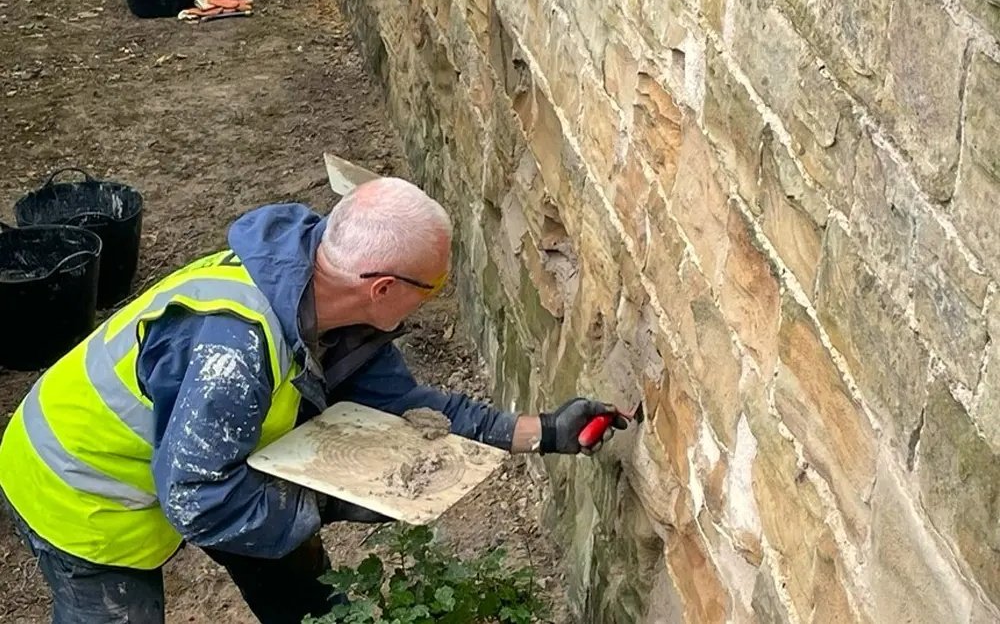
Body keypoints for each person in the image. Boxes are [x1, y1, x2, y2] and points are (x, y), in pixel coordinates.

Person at [0, 177, 627, 624]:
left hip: (211, 462)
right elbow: (198, 501)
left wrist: (544, 431)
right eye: (431, 288)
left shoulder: (321, 291)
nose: (432, 298)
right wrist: (330, 501)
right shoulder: (235, 353)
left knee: (305, 589)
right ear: (382, 287)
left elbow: (409, 409)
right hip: (79, 490)